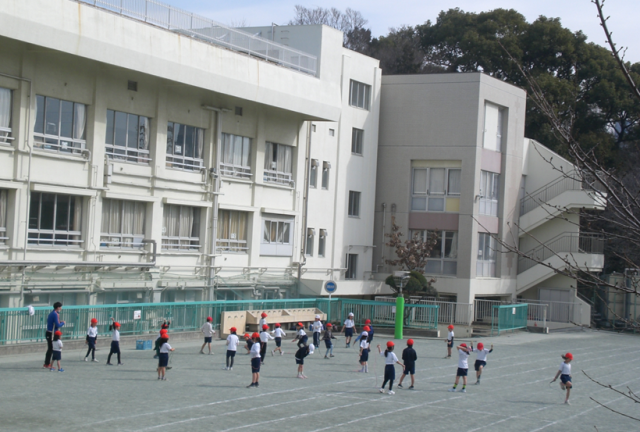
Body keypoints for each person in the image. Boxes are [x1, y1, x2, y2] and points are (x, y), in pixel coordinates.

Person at [44, 302, 65, 369]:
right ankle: (47, 363)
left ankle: (48, 363)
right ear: (58, 307)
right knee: (51, 349)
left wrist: (60, 322)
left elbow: (54, 322)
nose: (61, 308)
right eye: (60, 307)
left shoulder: (52, 313)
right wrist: (63, 323)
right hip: (51, 333)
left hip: (49, 332)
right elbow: (58, 325)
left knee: (51, 348)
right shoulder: (55, 314)